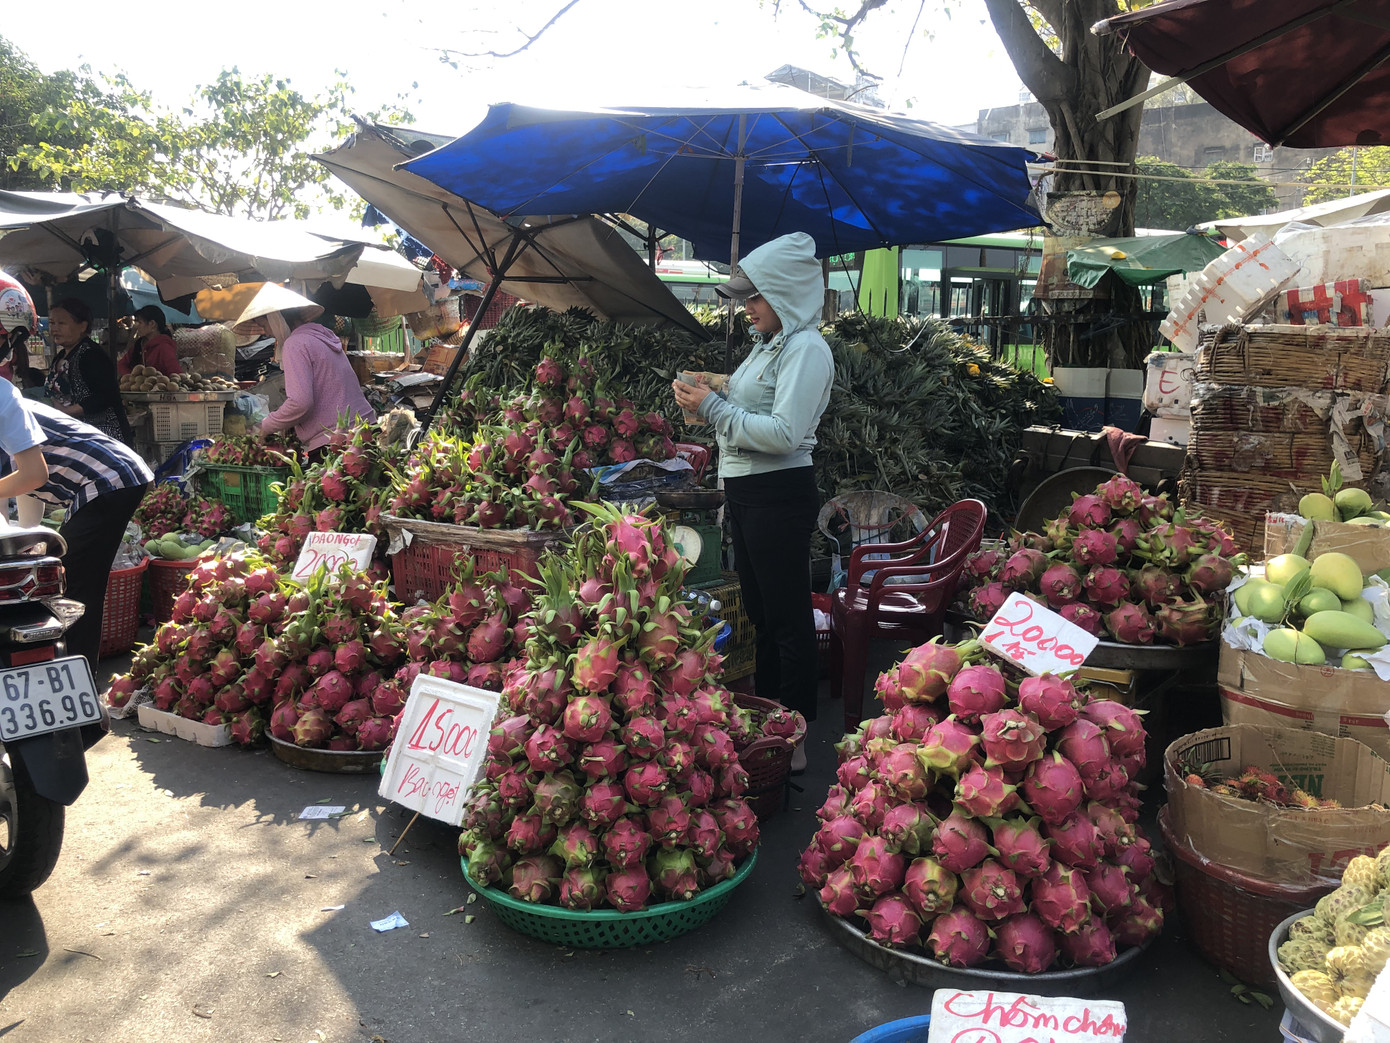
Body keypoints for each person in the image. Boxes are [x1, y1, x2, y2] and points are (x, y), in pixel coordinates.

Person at [671, 231, 834, 763]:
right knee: (762, 613)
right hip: (745, 492)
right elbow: (755, 407)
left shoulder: (808, 348)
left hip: (776, 493)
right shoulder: (771, 345)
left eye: (755, 296)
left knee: (786, 616)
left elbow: (785, 432)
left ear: (785, 291)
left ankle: (798, 731)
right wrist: (712, 390)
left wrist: (716, 409)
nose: (746, 308)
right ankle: (770, 717)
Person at [0, 366, 153, 667]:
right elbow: (22, 490)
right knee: (69, 582)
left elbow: (31, 475)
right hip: (110, 480)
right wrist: (28, 540)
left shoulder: (5, 403)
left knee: (72, 587)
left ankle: (78, 681)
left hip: (112, 479)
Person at [255, 303, 375, 457]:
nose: (265, 332)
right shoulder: (320, 337)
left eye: (264, 325)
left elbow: (300, 403)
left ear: (275, 320)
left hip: (338, 442)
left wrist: (267, 425)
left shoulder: (296, 343)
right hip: (364, 429)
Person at [45, 297, 134, 444]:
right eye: (52, 323)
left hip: (103, 439)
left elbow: (106, 395)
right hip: (76, 436)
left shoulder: (90, 354)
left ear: (82, 326)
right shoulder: (61, 356)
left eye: (62, 323)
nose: (55, 328)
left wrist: (67, 412)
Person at [118, 305, 182, 377]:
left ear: (152, 324)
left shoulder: (164, 348)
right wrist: (133, 379)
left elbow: (177, 375)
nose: (136, 326)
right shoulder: (139, 344)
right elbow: (121, 364)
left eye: (139, 322)